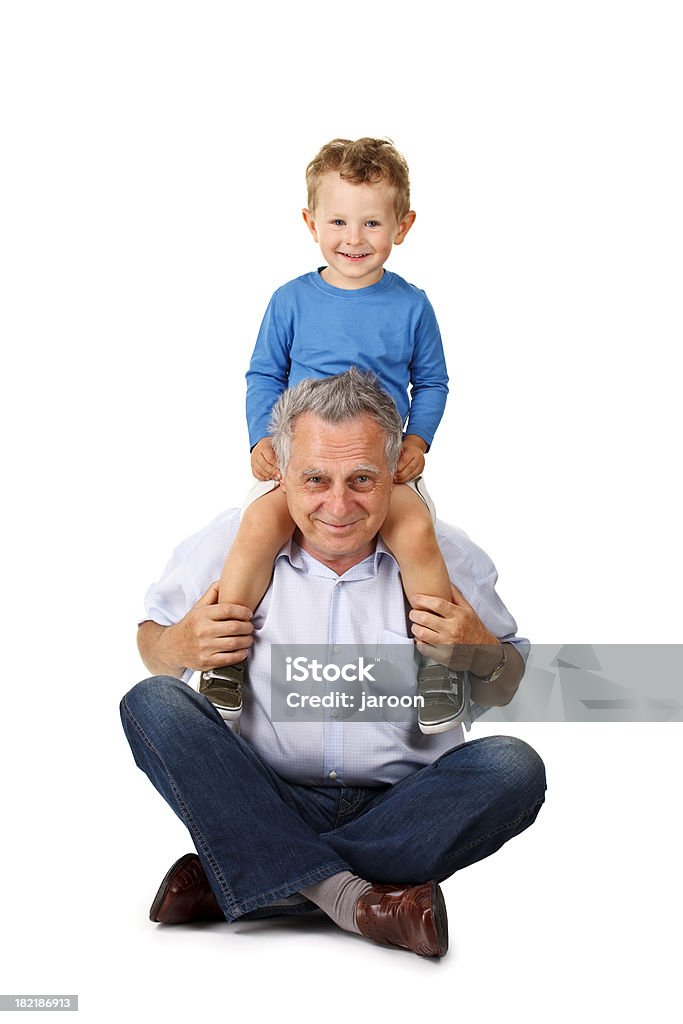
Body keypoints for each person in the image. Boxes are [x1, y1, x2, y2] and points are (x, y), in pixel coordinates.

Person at [121, 371, 546, 959]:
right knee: (154, 705)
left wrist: (482, 653)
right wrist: (178, 646)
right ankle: (351, 897)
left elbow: (510, 684)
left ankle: (249, 873)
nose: (338, 505)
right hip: (265, 790)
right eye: (315, 479)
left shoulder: (448, 557)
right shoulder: (232, 543)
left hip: (406, 803)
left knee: (514, 768)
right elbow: (151, 649)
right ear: (282, 475)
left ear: (396, 472)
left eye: (363, 479)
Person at [202, 137, 459, 734]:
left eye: (373, 222)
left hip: (378, 466)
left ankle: (437, 666)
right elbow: (263, 373)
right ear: (309, 221)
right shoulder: (290, 300)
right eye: (338, 220)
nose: (354, 238)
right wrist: (259, 439)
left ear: (404, 225)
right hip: (304, 462)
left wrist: (417, 442)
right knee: (259, 526)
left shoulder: (413, 306)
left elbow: (435, 383)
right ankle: (228, 659)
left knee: (416, 530)